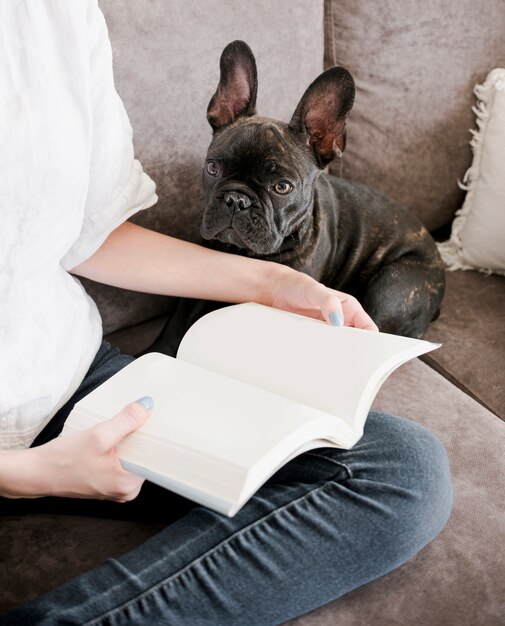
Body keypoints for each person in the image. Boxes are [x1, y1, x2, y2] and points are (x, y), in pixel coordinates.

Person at [0, 2, 453, 624]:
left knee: (405, 469)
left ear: (328, 143)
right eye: (221, 175)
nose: (237, 200)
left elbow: (90, 232)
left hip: (74, 368)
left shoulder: (61, 15)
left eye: (275, 188)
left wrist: (270, 282)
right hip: (21, 438)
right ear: (222, 111)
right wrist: (20, 472)